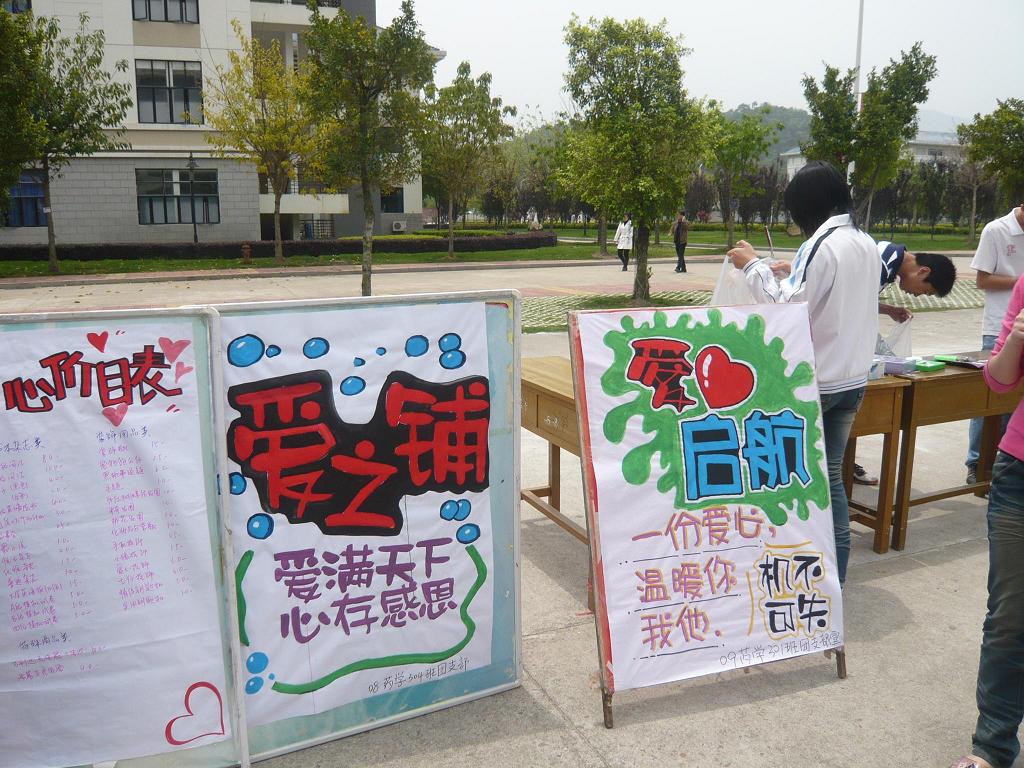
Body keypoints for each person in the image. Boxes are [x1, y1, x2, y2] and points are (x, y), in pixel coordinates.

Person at [728, 161, 878, 585]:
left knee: (785, 483)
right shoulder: (863, 241)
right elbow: (823, 293)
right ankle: (834, 584)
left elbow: (785, 311)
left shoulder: (821, 244)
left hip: (816, 384)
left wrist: (752, 266)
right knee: (831, 483)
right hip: (852, 381)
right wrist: (790, 270)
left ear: (804, 208)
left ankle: (782, 577)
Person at [770, 243, 957, 485]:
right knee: (815, 448)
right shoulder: (881, 263)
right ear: (923, 271)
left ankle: (837, 467)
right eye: (926, 290)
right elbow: (839, 299)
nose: (919, 295)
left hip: (834, 364)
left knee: (828, 457)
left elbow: (854, 298)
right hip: (828, 366)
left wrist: (887, 309)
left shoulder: (888, 260)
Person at [948, 274, 1024, 768]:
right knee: (1009, 621)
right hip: (1020, 472)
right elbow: (998, 379)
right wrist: (1016, 337)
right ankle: (991, 748)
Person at [965, 204, 1024, 485]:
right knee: (988, 402)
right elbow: (982, 279)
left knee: (1013, 406)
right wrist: (1020, 282)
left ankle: (1002, 461)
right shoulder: (996, 230)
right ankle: (976, 462)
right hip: (999, 327)